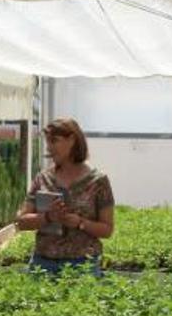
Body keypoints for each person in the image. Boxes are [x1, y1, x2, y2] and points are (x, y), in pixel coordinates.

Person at [15, 118, 114, 276]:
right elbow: (21, 221)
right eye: (48, 142)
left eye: (54, 141)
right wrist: (48, 217)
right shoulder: (43, 179)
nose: (49, 147)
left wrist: (80, 223)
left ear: (73, 140)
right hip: (44, 264)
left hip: (83, 266)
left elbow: (107, 229)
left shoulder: (98, 182)